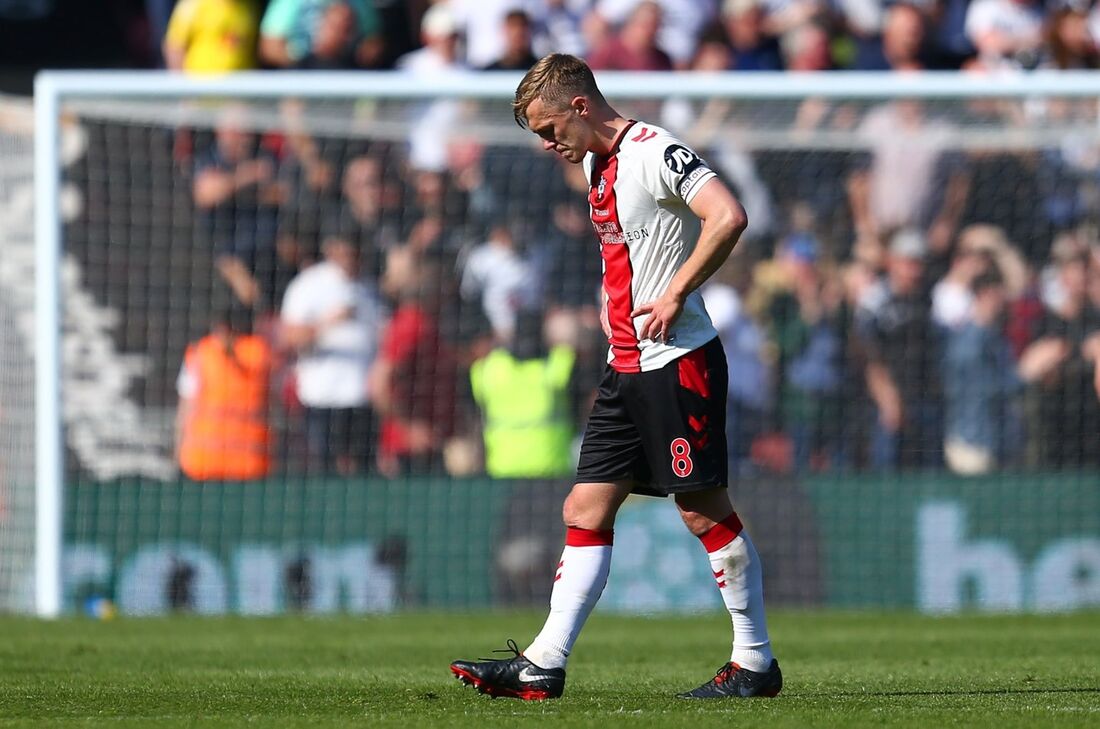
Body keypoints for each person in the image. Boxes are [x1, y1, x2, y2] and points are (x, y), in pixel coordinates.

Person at [450, 53, 781, 701]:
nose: (547, 145)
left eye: (549, 129)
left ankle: (755, 661)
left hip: (676, 363)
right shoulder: (596, 164)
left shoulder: (657, 151)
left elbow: (729, 215)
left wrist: (678, 291)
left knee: (701, 509)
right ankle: (544, 663)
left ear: (580, 106)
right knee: (585, 506)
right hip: (624, 367)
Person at [279, 227, 382, 475]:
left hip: (362, 399)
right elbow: (288, 338)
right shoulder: (309, 285)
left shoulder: (368, 287)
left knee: (364, 474)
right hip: (322, 398)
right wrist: (328, 323)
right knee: (323, 473)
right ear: (332, 250)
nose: (351, 260)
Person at [470, 309, 577, 479]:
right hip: (552, 472)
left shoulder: (487, 369)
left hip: (502, 471)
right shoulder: (560, 363)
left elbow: (474, 421)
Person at [176, 304, 273, 481]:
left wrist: (177, 452)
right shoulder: (262, 353)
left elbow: (186, 409)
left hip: (202, 463)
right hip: (250, 466)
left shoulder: (200, 353)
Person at [162, 0, 261, 73]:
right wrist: (184, 88)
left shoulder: (250, 6)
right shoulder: (193, 4)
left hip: (240, 91)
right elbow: (174, 47)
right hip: (199, 89)